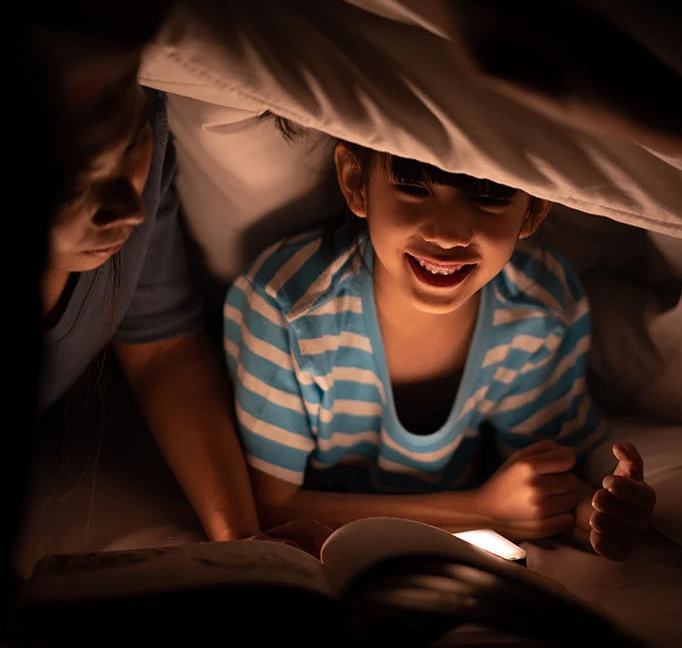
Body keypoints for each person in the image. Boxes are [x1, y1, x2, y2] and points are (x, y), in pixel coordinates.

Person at [224, 141, 657, 561]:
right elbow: (270, 507)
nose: (447, 234)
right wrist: (481, 509)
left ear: (534, 211)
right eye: (413, 189)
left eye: (489, 197)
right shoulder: (287, 306)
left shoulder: (538, 308)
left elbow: (543, 485)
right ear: (356, 182)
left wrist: (597, 515)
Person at [12, 78, 266, 577]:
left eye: (133, 145)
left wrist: (245, 545)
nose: (130, 209)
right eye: (72, 186)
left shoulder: (138, 111)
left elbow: (161, 349)